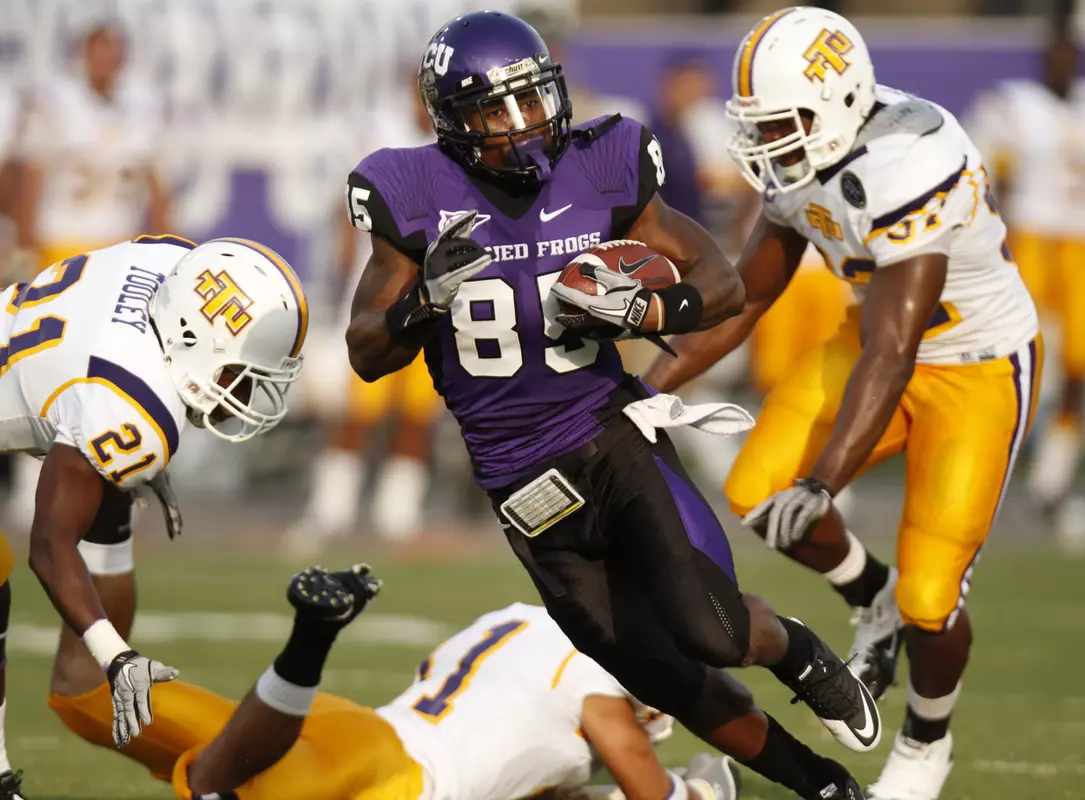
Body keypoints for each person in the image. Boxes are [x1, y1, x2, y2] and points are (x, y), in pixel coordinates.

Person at [345, 11, 878, 800]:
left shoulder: (602, 161)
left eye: (534, 100)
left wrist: (645, 314)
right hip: (519, 486)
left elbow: (721, 283)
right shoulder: (409, 191)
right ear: (454, 121)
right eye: (499, 110)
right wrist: (421, 300)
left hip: (609, 436)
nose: (526, 126)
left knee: (714, 631)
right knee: (664, 679)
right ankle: (825, 787)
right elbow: (365, 351)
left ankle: (793, 648)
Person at [644, 8, 1041, 799]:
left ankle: (927, 743)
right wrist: (642, 388)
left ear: (836, 104)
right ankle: (871, 601)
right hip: (871, 345)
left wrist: (823, 481)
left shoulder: (910, 161)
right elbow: (746, 297)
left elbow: (897, 353)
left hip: (971, 366)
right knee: (755, 489)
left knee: (932, 598)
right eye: (757, 126)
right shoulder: (807, 155)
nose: (764, 145)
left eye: (781, 124)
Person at [0, 235, 307, 783]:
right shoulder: (134, 405)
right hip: (90, 393)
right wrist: (115, 656)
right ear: (195, 338)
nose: (242, 388)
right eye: (238, 371)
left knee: (84, 648)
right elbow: (47, 547)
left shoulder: (170, 260)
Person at [98, 562, 742, 800]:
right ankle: (311, 637)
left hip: (350, 728)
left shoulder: (525, 619)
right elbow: (643, 785)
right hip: (387, 779)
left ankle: (93, 636)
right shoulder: (600, 685)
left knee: (94, 705)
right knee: (217, 786)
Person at [965, 29, 1085, 528]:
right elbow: (991, 169)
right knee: (1019, 354)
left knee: (1078, 366)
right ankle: (985, 467)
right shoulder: (1014, 104)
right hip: (1032, 236)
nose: (1059, 63)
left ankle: (1051, 481)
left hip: (1078, 242)